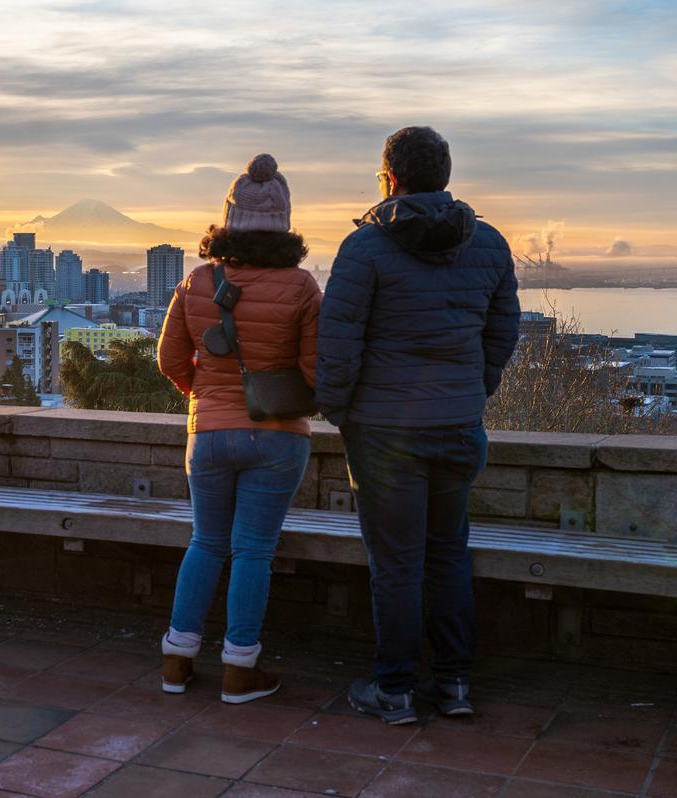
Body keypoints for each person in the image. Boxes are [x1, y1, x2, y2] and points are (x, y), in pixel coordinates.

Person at [316, 127, 520, 724]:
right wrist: (472, 389)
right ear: (446, 174)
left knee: (397, 562)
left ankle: (396, 688)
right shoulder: (488, 243)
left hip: (384, 433)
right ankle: (454, 684)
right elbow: (502, 331)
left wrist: (341, 410)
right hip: (458, 425)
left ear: (390, 177)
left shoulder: (365, 250)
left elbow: (338, 346)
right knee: (449, 553)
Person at [157, 154, 322, 704]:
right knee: (253, 551)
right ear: (285, 223)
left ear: (227, 218)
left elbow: (170, 359)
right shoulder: (302, 287)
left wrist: (204, 397)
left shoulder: (196, 281)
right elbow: (315, 368)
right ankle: (239, 669)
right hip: (278, 437)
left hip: (208, 434)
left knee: (205, 542)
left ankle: (176, 663)